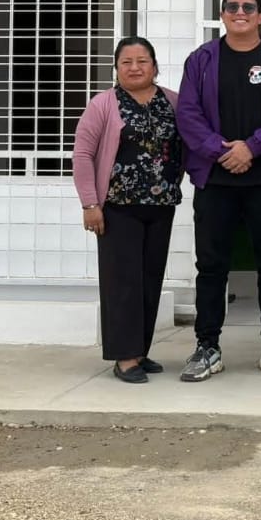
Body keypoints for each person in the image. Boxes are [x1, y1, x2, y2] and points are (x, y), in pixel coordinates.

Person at [175, 0, 261, 383]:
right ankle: (207, 346)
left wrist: (253, 147)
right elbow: (188, 114)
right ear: (222, 15)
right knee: (211, 266)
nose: (240, 13)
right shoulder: (201, 60)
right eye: (232, 7)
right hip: (215, 179)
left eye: (248, 8)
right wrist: (220, 150)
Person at [71, 36, 184, 384]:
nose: (135, 68)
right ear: (116, 68)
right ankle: (124, 356)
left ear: (154, 66)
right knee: (122, 283)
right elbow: (83, 155)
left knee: (149, 279)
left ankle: (140, 349)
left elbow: (185, 146)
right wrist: (90, 203)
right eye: (127, 62)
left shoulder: (173, 102)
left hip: (161, 205)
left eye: (142, 61)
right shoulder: (103, 104)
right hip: (117, 208)